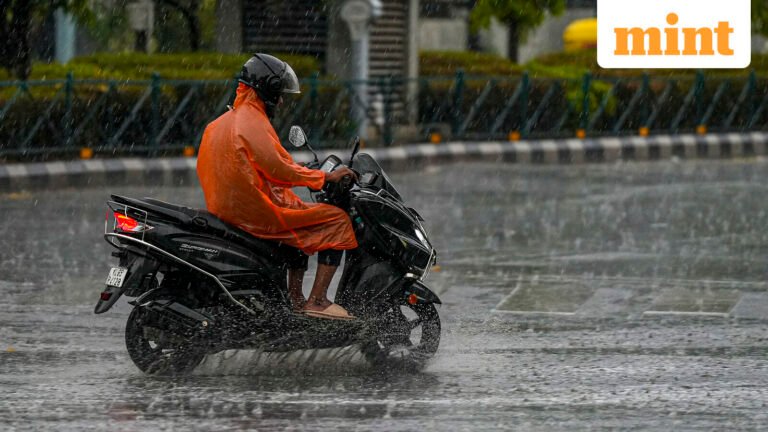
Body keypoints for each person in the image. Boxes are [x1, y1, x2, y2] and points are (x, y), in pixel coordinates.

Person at [196, 53, 358, 320]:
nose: (281, 101)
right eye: (279, 95)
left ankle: (295, 298)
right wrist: (324, 178)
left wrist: (297, 174)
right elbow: (279, 169)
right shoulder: (252, 122)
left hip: (228, 209)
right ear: (267, 91)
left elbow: (259, 165)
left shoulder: (221, 122)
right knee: (337, 220)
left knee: (299, 215)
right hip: (254, 213)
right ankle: (317, 300)